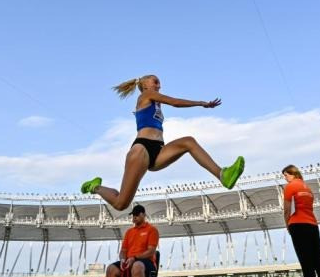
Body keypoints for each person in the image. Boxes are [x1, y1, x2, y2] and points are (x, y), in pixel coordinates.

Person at [81, 75, 245, 211]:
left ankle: (223, 175)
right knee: (121, 204)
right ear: (145, 85)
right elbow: (175, 102)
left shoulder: (154, 102)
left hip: (158, 151)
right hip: (142, 149)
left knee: (189, 142)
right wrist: (201, 103)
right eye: (155, 81)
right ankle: (95, 187)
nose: (159, 85)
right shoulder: (146, 95)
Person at [99, 204, 159, 277]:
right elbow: (123, 251)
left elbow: (151, 251)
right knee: (111, 269)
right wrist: (122, 259)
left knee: (137, 265)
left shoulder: (152, 230)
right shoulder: (129, 232)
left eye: (137, 214)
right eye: (133, 215)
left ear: (144, 215)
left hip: (146, 264)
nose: (134, 217)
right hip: (129, 263)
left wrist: (135, 258)